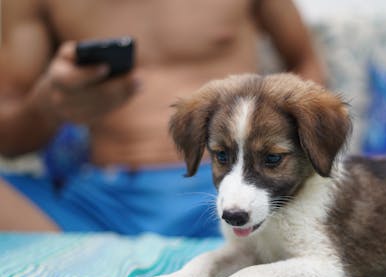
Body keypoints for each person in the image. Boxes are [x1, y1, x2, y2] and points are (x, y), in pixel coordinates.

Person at [0, 0, 325, 236]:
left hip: (223, 185)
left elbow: (305, 62)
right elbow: (8, 138)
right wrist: (47, 107)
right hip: (100, 205)